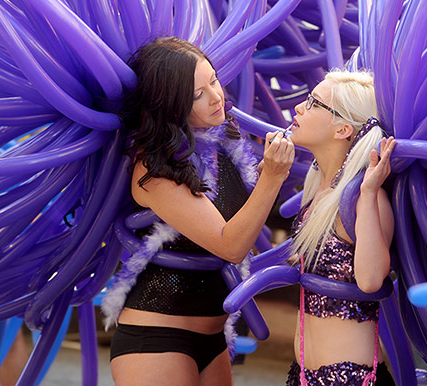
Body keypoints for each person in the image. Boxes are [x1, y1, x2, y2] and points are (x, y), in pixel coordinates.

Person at [102, 37, 295, 386]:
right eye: (197, 95)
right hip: (156, 341)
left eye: (214, 80)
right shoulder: (154, 169)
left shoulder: (223, 144)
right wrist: (273, 177)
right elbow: (230, 245)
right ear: (170, 104)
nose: (217, 96)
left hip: (213, 338)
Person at [285, 70, 397, 386]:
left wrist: (370, 193)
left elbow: (372, 279)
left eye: (313, 103)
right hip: (304, 375)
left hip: (351, 379)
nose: (299, 109)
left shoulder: (366, 196)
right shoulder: (319, 192)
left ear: (343, 129)